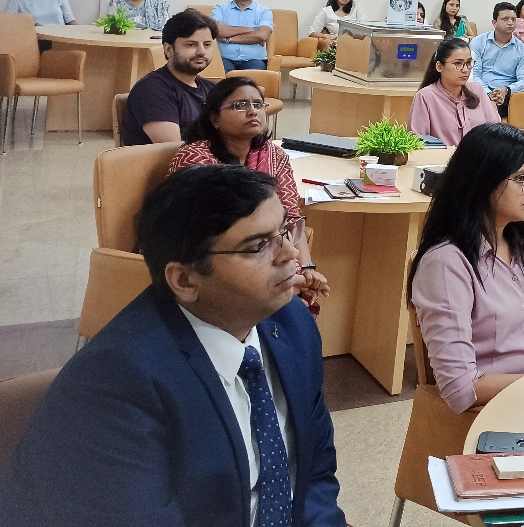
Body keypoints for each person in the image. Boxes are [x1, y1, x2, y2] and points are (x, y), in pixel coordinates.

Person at [0, 163, 348, 527]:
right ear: (184, 280)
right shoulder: (116, 384)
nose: (290, 253)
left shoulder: (292, 324)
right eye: (259, 245)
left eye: (285, 230)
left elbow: (313, 475)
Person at [408, 123, 524, 414]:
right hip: (502, 408)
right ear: (483, 181)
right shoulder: (446, 264)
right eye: (521, 179)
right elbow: (461, 389)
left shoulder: (522, 241)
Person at [166, 77, 329, 309]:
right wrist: (284, 277)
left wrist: (307, 269)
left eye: (258, 105)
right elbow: (216, 231)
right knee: (289, 301)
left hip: (268, 253)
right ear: (214, 119)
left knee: (300, 301)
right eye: (240, 105)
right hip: (211, 258)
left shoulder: (274, 155)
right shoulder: (196, 158)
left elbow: (291, 217)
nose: (252, 111)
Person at [120, 9, 218, 146]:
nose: (201, 52)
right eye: (191, 45)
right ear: (168, 49)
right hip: (172, 160)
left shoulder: (212, 88)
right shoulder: (152, 89)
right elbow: (173, 150)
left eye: (207, 45)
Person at [408, 38, 500, 146]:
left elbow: (496, 131)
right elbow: (417, 140)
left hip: (478, 156)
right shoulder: (426, 96)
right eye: (458, 63)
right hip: (442, 156)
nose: (465, 69)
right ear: (439, 66)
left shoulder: (477, 90)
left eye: (469, 63)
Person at [471, 2, 524, 121]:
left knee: (490, 107)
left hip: (506, 96)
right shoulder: (478, 42)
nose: (510, 23)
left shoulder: (522, 49)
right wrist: (487, 93)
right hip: (479, 91)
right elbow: (474, 74)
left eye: (513, 19)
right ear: (494, 22)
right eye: (505, 19)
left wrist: (507, 90)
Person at [212, 0, 273, 72]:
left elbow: (262, 36)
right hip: (224, 58)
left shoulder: (264, 11)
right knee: (220, 75)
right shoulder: (220, 9)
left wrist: (228, 39)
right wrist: (251, 30)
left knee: (252, 78)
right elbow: (218, 31)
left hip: (254, 60)